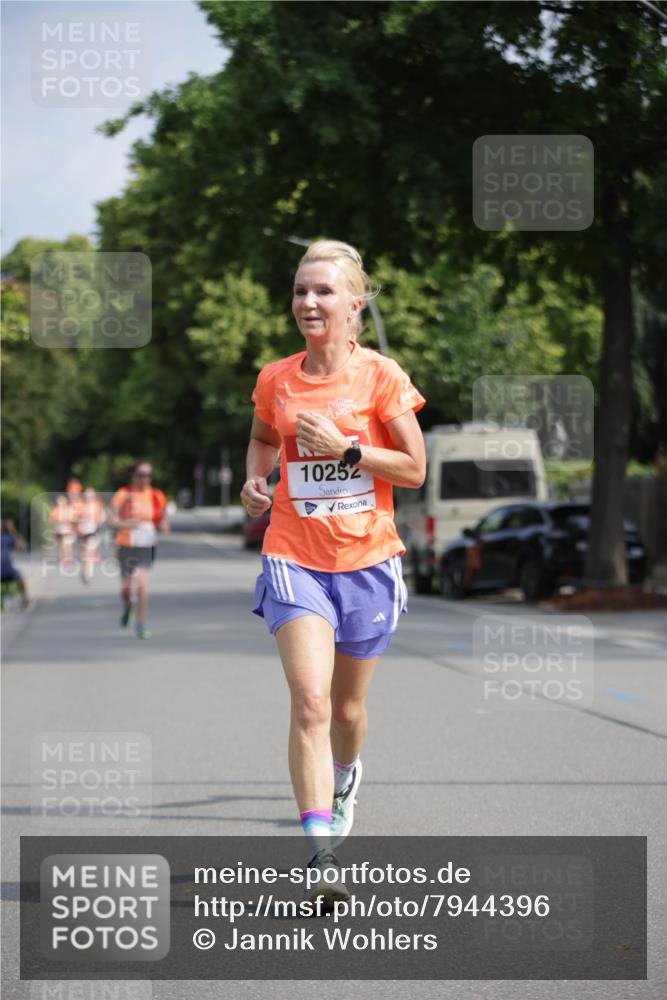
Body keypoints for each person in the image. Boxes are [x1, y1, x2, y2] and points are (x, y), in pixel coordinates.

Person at [241, 240, 426, 909]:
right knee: (311, 701)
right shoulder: (276, 379)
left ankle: (345, 775)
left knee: (346, 710)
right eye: (299, 291)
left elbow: (412, 469)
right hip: (293, 555)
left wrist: (347, 451)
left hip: (367, 562)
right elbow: (265, 438)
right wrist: (254, 480)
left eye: (323, 292)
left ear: (354, 304)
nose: (308, 303)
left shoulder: (380, 375)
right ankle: (320, 852)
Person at [108, 461, 169, 639]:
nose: (145, 479)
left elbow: (162, 519)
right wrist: (127, 523)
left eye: (148, 475)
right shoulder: (123, 494)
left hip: (146, 546)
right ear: (134, 476)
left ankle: (140, 624)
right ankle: (128, 606)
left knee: (142, 585)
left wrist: (163, 526)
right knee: (125, 589)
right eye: (141, 474)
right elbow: (110, 519)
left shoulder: (157, 495)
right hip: (126, 545)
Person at [74, 487, 105, 584]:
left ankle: (88, 574)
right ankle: (83, 571)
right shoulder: (80, 504)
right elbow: (74, 517)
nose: (88, 496)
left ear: (94, 495)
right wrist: (80, 521)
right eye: (87, 494)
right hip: (81, 532)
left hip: (93, 531)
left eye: (90, 494)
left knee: (89, 552)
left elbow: (102, 516)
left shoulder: (97, 505)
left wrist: (98, 522)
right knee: (82, 554)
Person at [1, 518, 29, 607]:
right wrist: (13, 530)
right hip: (7, 571)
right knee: (20, 577)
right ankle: (24, 598)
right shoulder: (6, 538)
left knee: (20, 577)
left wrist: (12, 531)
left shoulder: (6, 538)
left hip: (8, 570)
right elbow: (23, 546)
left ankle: (24, 599)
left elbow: (22, 546)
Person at [49, 495, 75, 567]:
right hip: (58, 530)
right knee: (59, 545)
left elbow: (73, 519)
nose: (60, 503)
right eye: (59, 502)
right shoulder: (55, 510)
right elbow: (52, 520)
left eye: (62, 501)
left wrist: (67, 520)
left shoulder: (69, 509)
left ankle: (67, 558)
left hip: (67, 530)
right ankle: (61, 558)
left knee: (66, 545)